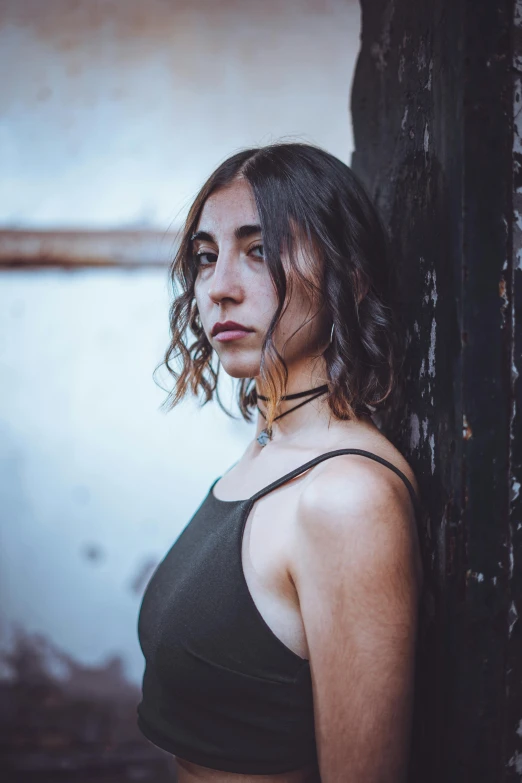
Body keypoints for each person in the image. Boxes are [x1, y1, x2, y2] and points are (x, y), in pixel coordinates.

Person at [137, 142, 424, 783]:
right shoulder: (268, 450)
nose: (218, 289)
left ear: (346, 271)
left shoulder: (347, 496)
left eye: (259, 249)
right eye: (206, 259)